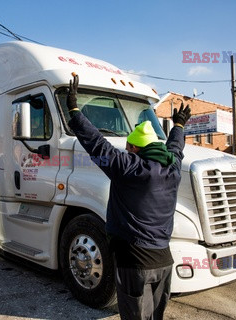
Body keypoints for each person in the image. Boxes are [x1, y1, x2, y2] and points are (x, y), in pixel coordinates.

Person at [66, 74, 191, 320]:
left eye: (128, 147)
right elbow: (176, 147)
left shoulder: (128, 167)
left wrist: (74, 110)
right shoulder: (173, 167)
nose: (125, 150)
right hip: (164, 262)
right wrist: (178, 126)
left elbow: (96, 144)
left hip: (135, 263)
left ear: (135, 148)